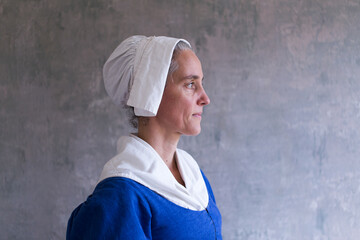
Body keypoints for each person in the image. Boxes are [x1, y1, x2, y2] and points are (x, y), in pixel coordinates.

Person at [66, 35, 222, 239]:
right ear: (151, 91)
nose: (205, 98)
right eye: (190, 84)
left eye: (201, 83)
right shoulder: (122, 196)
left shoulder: (193, 174)